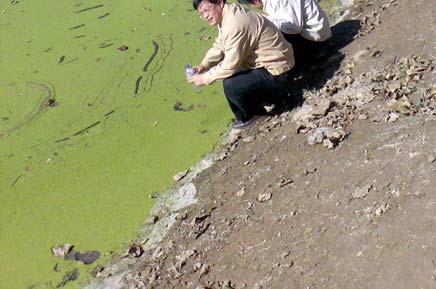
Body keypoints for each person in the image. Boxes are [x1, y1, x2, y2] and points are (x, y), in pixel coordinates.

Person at [189, 0, 295, 129]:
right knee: (235, 73)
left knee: (231, 85)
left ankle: (252, 116)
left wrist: (204, 78)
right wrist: (204, 65)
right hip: (274, 64)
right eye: (201, 14)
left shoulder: (234, 24)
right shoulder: (228, 13)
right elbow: (220, 44)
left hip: (279, 73)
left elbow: (229, 66)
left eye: (206, 10)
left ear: (220, 3)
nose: (205, 16)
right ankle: (262, 100)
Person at [238, 0, 331, 69]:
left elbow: (294, 27)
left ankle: (287, 67)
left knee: (268, 35)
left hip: (316, 40)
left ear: (255, 2)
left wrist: (267, 21)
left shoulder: (276, 2)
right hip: (314, 34)